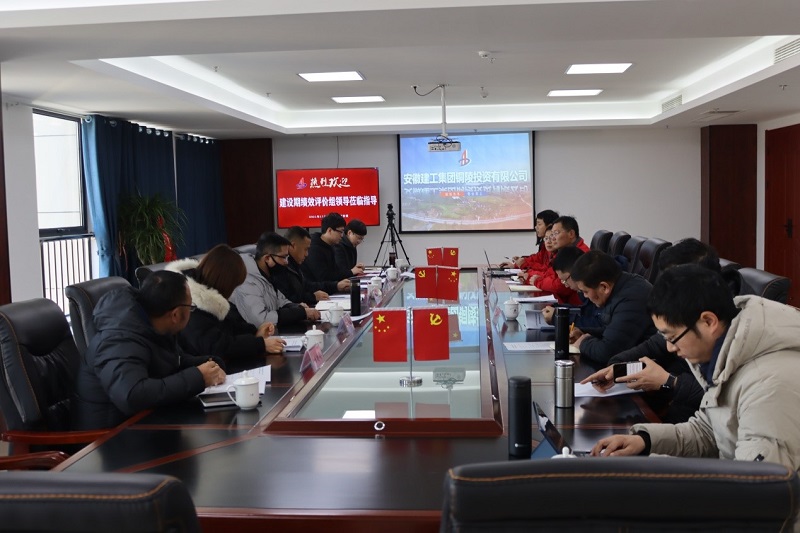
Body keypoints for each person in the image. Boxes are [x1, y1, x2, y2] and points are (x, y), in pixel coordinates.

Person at [591, 265, 800, 479]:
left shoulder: (768, 386)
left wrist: (656, 469)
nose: (670, 348)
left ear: (708, 321)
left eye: (673, 338)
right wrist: (645, 441)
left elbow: (757, 486)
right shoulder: (725, 354)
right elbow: (709, 432)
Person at [580, 238, 724, 423]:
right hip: (680, 414)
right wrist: (618, 368)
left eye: (672, 284)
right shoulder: (684, 310)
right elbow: (655, 345)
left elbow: (719, 395)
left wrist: (668, 381)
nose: (666, 291)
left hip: (691, 418)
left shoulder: (723, 324)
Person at [72, 270, 227, 430]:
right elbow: (131, 396)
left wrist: (209, 365)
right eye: (190, 307)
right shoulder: (119, 340)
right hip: (110, 437)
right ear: (175, 315)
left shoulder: (151, 324)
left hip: (145, 424)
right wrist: (198, 377)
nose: (191, 312)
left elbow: (172, 361)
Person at [165, 244, 286, 359]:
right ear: (225, 283)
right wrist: (261, 344)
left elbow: (232, 326)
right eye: (233, 286)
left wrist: (255, 333)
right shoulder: (190, 303)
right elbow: (216, 346)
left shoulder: (212, 299)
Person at [569, 250, 656, 364]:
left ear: (604, 287)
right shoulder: (621, 285)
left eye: (585, 291)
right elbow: (612, 330)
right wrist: (582, 332)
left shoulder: (631, 299)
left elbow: (607, 352)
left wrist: (583, 342)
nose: (585, 296)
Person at [230, 232, 321, 328]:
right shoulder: (247, 280)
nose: (286, 262)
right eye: (283, 257)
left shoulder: (266, 274)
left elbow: (281, 301)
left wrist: (298, 307)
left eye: (287, 257)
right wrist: (301, 313)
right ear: (267, 258)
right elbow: (261, 320)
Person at [272, 226, 350, 306]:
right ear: (293, 246)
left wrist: (336, 286)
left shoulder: (295, 264)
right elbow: (287, 299)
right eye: (305, 249)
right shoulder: (280, 267)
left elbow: (307, 286)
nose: (307, 254)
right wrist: (312, 297)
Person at [303, 212, 363, 283]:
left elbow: (335, 272)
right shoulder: (313, 247)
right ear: (329, 230)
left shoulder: (330, 245)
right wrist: (350, 272)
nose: (341, 236)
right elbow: (323, 277)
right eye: (340, 232)